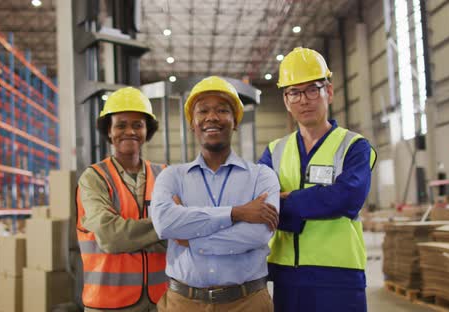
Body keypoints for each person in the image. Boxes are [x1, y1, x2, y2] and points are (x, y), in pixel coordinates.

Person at [258, 47, 377, 312]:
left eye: (313, 89)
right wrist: (319, 199)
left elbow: (348, 198)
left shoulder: (354, 146)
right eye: (294, 92)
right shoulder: (274, 150)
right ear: (286, 101)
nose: (304, 100)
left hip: (339, 275)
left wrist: (287, 202)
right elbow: (260, 204)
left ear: (329, 92)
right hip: (288, 275)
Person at [150, 76, 280, 312]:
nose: (212, 117)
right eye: (203, 111)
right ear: (192, 122)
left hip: (248, 302)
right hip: (184, 303)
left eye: (222, 110)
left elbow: (257, 234)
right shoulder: (171, 177)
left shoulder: (262, 176)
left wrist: (190, 238)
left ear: (235, 121)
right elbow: (165, 224)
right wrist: (236, 213)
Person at [75, 87, 168, 312]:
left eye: (138, 125)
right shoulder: (94, 178)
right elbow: (110, 237)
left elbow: (183, 237)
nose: (130, 131)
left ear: (147, 130)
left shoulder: (164, 175)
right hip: (108, 303)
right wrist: (168, 226)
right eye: (121, 125)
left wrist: (133, 234)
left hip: (161, 301)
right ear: (109, 131)